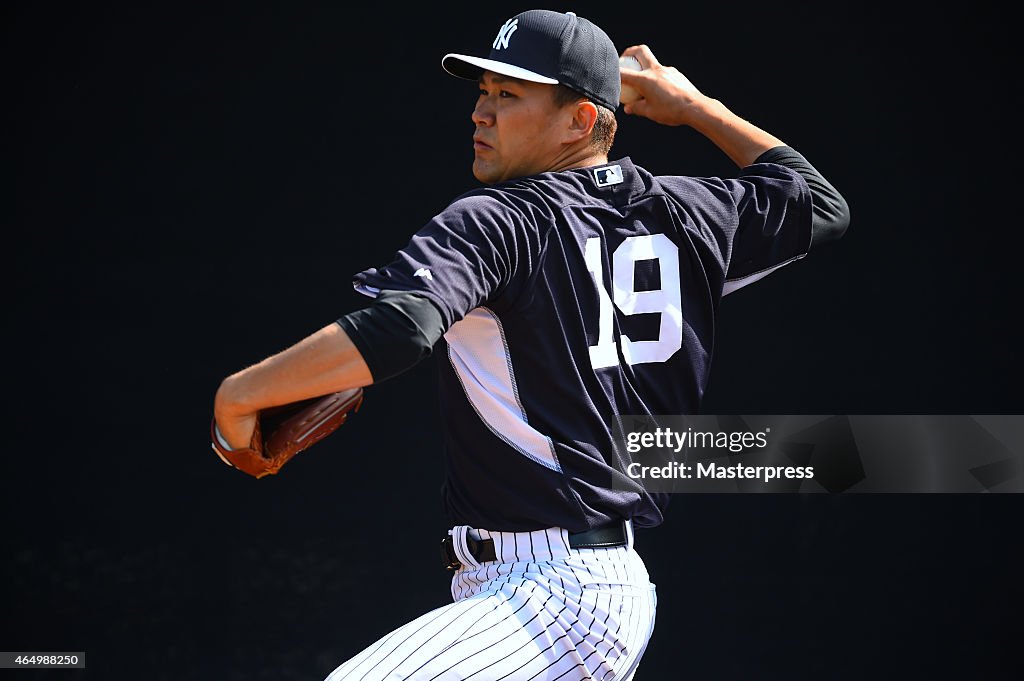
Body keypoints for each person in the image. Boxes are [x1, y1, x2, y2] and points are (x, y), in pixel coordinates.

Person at [212, 9, 849, 680]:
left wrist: (238, 392)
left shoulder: (500, 222)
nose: (481, 113)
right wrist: (693, 107)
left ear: (580, 120)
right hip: (580, 588)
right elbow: (819, 201)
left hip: (550, 594)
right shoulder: (683, 214)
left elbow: (402, 327)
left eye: (509, 95)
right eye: (483, 92)